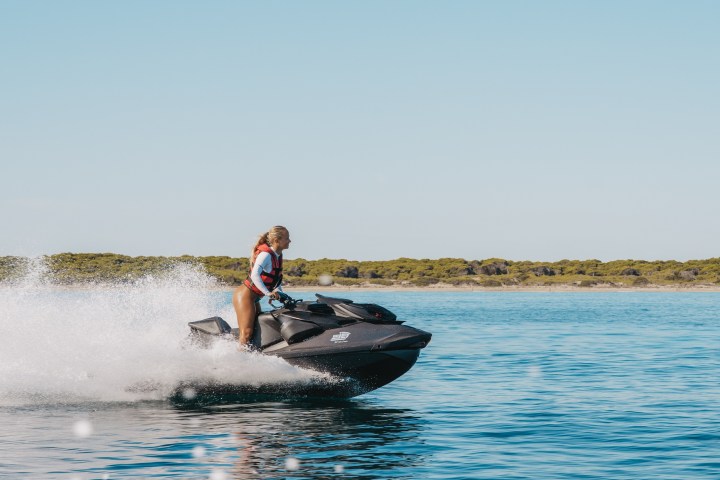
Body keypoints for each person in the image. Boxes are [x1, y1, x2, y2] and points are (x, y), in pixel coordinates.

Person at [233, 226, 291, 347]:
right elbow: (255, 275)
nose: (289, 241)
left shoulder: (278, 255)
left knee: (258, 329)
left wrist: (278, 291)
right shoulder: (266, 255)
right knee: (247, 333)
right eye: (287, 238)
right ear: (277, 240)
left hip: (255, 298)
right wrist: (267, 293)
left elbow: (276, 279)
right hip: (245, 296)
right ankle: (239, 360)